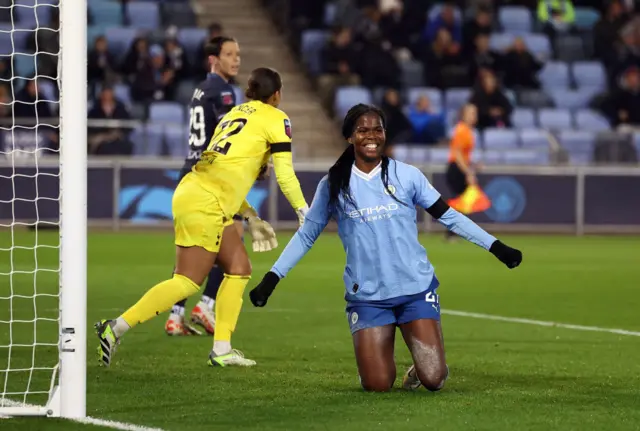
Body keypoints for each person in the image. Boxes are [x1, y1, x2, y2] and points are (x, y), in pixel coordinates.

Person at [248, 104, 522, 392]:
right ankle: (378, 362)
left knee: (434, 378)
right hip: (367, 296)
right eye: (362, 130)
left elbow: (449, 216)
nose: (371, 136)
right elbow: (306, 236)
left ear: (385, 134)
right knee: (377, 384)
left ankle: (425, 364)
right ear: (349, 137)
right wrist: (272, 277)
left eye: (377, 129)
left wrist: (496, 247)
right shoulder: (333, 184)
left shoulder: (408, 175)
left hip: (414, 289)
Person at [96, 67, 310, 368]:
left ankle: (221, 349)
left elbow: (225, 173)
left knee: (239, 268)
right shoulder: (276, 118)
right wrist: (305, 211)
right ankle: (115, 327)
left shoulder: (235, 114)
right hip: (205, 202)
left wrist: (249, 215)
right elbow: (285, 173)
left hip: (196, 190)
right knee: (186, 281)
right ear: (277, 94)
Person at [164, 36, 244, 337]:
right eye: (229, 54)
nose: (235, 60)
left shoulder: (200, 88)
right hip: (211, 177)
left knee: (191, 251)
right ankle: (206, 306)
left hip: (190, 171)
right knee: (232, 242)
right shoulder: (224, 92)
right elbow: (228, 139)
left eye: (237, 54)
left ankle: (176, 314)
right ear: (214, 59)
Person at [445, 104, 480, 241]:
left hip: (460, 167)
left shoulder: (467, 131)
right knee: (459, 202)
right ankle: (452, 233)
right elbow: (457, 154)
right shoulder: (462, 130)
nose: (474, 116)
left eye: (475, 113)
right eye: (471, 113)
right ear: (463, 115)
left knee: (461, 202)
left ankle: (454, 232)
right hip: (456, 169)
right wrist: (468, 172)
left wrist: (472, 166)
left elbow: (464, 154)